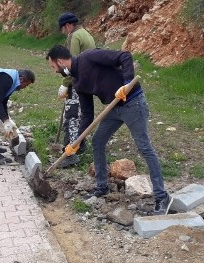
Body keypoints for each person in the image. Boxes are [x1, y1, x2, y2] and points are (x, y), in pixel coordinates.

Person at [45, 45, 172, 215]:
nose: (54, 71)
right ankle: (101, 187)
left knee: (144, 147)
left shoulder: (89, 57)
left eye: (53, 67)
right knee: (97, 141)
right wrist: (77, 141)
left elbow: (125, 57)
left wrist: (126, 83)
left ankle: (161, 196)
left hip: (132, 102)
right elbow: (87, 115)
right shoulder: (77, 82)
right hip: (113, 109)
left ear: (60, 62)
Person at [56, 12, 96, 168]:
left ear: (67, 25)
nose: (63, 32)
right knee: (83, 114)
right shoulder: (85, 33)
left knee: (72, 115)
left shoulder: (74, 36)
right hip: (88, 80)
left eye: (62, 29)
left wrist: (65, 83)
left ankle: (70, 152)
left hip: (77, 81)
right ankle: (81, 145)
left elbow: (69, 63)